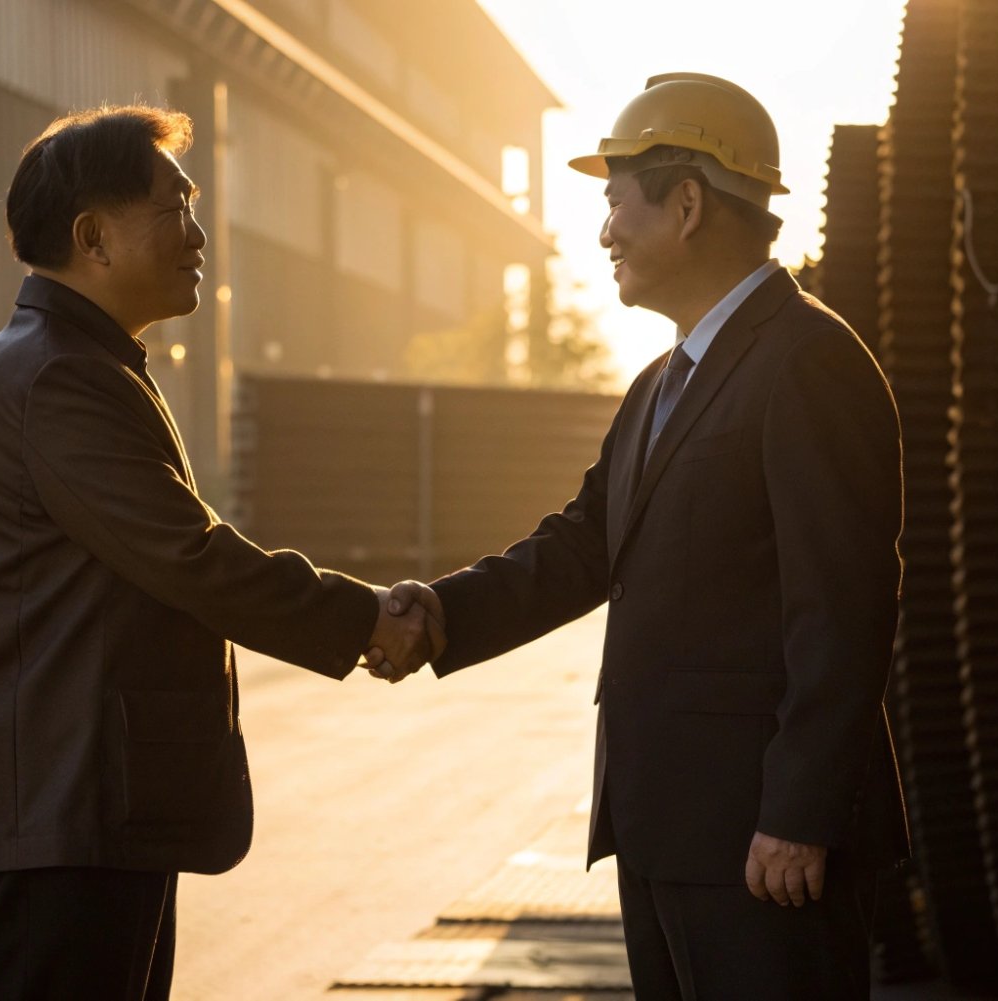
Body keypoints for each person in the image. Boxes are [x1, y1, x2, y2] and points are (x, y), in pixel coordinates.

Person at [366, 74, 909, 999]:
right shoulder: (664, 379)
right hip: (665, 827)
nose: (605, 230)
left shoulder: (809, 363)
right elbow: (583, 544)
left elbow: (844, 611)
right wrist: (440, 613)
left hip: (761, 842)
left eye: (616, 202)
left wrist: (798, 815)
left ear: (687, 204)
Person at [0, 105, 438, 1001]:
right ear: (93, 237)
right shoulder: (58, 376)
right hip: (51, 827)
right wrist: (365, 617)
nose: (199, 234)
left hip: (78, 813)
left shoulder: (84, 362)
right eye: (175, 208)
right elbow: (188, 556)